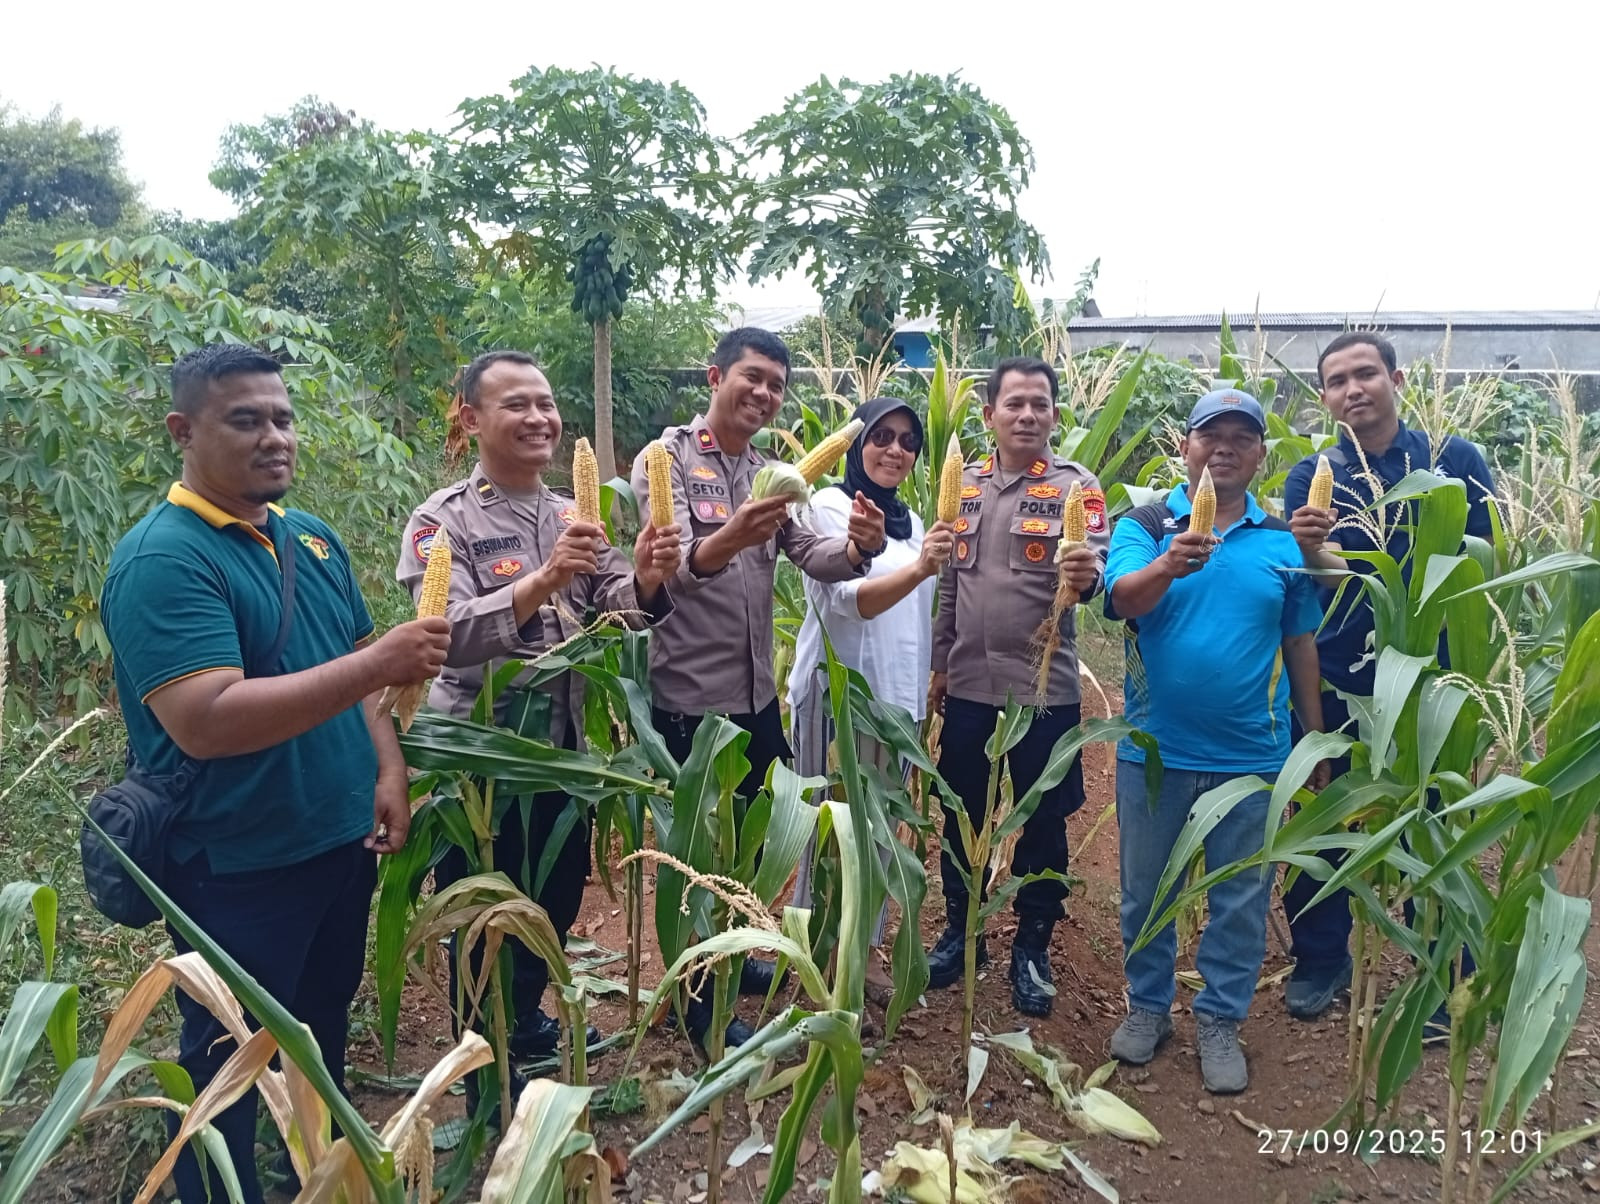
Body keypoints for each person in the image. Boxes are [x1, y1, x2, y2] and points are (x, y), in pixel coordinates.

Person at [100, 345, 452, 1204]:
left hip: (335, 840)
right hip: (236, 865)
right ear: (183, 432)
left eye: (284, 418)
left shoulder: (310, 539)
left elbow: (355, 667)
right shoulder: (165, 560)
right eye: (245, 419)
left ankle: (314, 1174)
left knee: (321, 1025)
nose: (274, 437)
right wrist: (377, 667)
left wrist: (388, 768)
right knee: (226, 1058)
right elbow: (208, 720)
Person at [397, 349, 681, 1062]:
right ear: (471, 418)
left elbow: (619, 610)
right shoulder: (444, 523)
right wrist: (543, 577)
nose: (539, 417)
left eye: (546, 403)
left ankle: (520, 1018)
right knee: (483, 912)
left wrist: (645, 579)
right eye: (517, 404)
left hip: (562, 755)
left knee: (551, 903)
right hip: (483, 763)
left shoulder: (574, 513)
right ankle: (481, 1053)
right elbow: (445, 637)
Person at [630, 326, 886, 1050]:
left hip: (753, 697)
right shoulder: (668, 459)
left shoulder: (777, 471)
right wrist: (734, 536)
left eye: (776, 383)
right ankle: (695, 1001)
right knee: (695, 852)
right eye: (752, 377)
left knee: (746, 845)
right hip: (689, 697)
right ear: (715, 377)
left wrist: (861, 545)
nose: (765, 393)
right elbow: (664, 573)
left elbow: (813, 553)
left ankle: (729, 954)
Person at [1103, 389, 1326, 1094]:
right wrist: (1170, 562)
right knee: (1144, 895)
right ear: (1185, 447)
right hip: (1155, 753)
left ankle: (1220, 1017)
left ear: (1261, 455)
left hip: (1252, 757)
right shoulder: (1144, 522)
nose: (1224, 447)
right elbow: (1122, 601)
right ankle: (1147, 1007)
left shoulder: (1284, 542)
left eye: (1242, 437)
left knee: (1241, 897)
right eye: (1210, 435)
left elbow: (1300, 643)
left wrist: (1313, 745)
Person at [1280, 332, 1496, 1020]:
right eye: (1338, 380)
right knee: (1320, 816)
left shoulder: (1453, 461)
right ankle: (1321, 959)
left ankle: (1441, 970)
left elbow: (1485, 564)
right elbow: (1319, 582)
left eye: (1366, 374)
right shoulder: (1312, 472)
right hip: (1339, 673)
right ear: (1323, 397)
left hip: (1433, 678)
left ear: (1396, 377)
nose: (1354, 389)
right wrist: (1313, 549)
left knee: (1431, 822)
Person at [926, 356, 1107, 1018]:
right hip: (971, 685)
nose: (1027, 414)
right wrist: (940, 664)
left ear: (1056, 415)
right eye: (1014, 404)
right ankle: (959, 930)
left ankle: (1032, 946)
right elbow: (949, 581)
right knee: (961, 814)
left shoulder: (1075, 486)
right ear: (990, 416)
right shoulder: (964, 486)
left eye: (1040, 404)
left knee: (1042, 821)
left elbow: (1095, 572)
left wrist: (1087, 574)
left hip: (1043, 690)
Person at [786, 397, 956, 998]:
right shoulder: (831, 507)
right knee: (829, 831)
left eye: (909, 441)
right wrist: (919, 571)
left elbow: (915, 618)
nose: (895, 449)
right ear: (856, 445)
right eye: (881, 435)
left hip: (897, 705)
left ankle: (867, 944)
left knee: (880, 830)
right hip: (840, 698)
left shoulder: (910, 523)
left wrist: (928, 683)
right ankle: (819, 949)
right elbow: (846, 601)